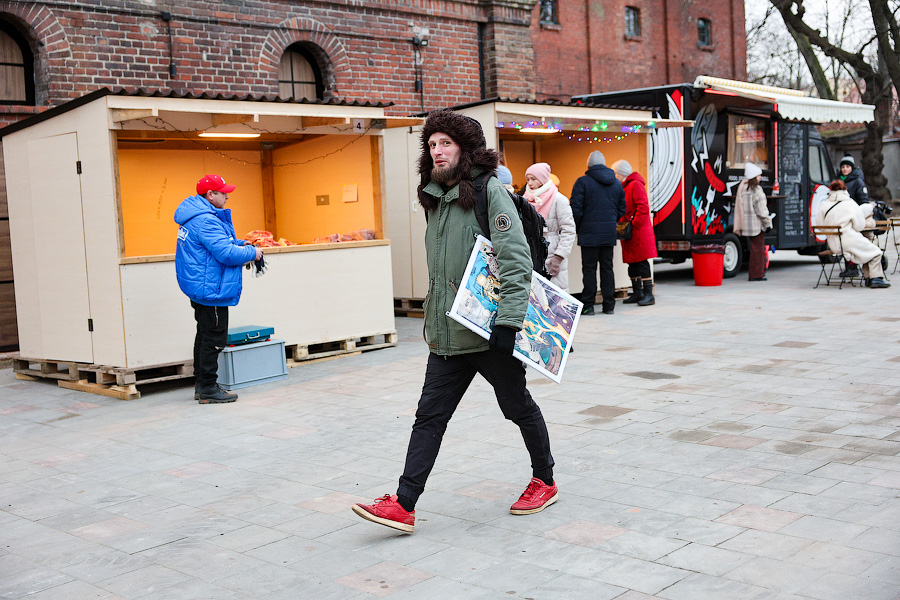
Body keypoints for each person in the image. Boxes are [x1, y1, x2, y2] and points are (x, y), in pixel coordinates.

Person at [352, 110, 557, 533]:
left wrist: (509, 323)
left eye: (446, 143)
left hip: (489, 334)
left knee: (517, 407)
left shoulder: (489, 191)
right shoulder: (436, 199)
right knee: (429, 417)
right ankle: (404, 503)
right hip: (448, 334)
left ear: (465, 149)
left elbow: (515, 258)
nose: (437, 151)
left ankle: (545, 480)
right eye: (431, 144)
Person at [175, 174, 262, 404]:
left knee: (204, 334)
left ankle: (202, 386)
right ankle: (207, 389)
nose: (227, 196)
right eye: (223, 192)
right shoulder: (206, 220)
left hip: (200, 285)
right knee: (213, 338)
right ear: (210, 195)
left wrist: (241, 243)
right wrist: (253, 252)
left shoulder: (195, 216)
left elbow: (218, 244)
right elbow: (227, 254)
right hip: (211, 288)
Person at [570, 150, 625, 315]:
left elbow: (576, 209)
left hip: (588, 234)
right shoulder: (616, 183)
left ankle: (589, 306)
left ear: (588, 166)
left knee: (589, 270)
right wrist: (611, 221)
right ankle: (609, 306)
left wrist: (579, 227)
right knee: (607, 268)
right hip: (608, 233)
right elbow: (622, 209)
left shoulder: (582, 182)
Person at [816, 179, 890, 288]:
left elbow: (820, 226)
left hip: (833, 244)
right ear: (844, 189)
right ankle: (876, 278)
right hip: (849, 241)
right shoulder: (850, 203)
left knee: (867, 251)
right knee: (876, 252)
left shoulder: (824, 204)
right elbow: (859, 226)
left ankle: (868, 278)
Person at [523, 162, 576, 291]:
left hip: (552, 256)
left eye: (534, 179)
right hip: (530, 255)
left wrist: (558, 257)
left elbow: (569, 230)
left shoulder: (559, 200)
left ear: (542, 179)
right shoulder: (525, 199)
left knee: (555, 297)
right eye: (528, 179)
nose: (530, 183)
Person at [611, 159, 657, 305]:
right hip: (631, 232)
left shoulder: (635, 185)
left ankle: (648, 294)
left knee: (641, 262)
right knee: (632, 263)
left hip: (638, 232)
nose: (614, 176)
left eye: (615, 173)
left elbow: (643, 207)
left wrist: (632, 224)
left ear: (621, 173)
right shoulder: (626, 186)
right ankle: (637, 293)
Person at [733, 163, 772, 281]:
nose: (760, 178)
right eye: (759, 176)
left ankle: (756, 273)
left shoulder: (743, 188)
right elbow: (761, 210)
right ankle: (757, 274)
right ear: (754, 177)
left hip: (746, 224)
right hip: (756, 225)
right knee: (758, 249)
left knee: (753, 248)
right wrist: (768, 223)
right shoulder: (757, 190)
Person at [838, 155, 869, 277]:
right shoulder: (838, 181)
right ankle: (849, 266)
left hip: (854, 216)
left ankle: (853, 267)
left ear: (852, 168)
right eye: (843, 167)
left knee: (851, 242)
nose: (845, 169)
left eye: (847, 166)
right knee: (845, 243)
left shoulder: (857, 181)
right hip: (842, 216)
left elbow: (863, 200)